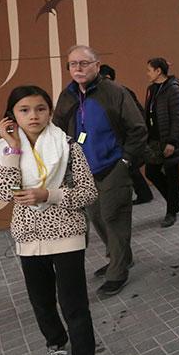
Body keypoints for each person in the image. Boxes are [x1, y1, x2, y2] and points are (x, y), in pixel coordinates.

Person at [0, 86, 100, 355]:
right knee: (41, 302)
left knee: (74, 306)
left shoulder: (67, 146)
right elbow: (3, 192)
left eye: (40, 108)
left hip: (66, 234)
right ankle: (56, 344)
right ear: (11, 116)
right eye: (24, 110)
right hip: (28, 237)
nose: (33, 116)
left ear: (49, 112)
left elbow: (88, 192)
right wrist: (13, 148)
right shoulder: (5, 150)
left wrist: (48, 195)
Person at [53, 45, 146, 297]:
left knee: (113, 216)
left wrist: (125, 161)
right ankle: (121, 257)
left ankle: (117, 272)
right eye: (73, 64)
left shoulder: (115, 92)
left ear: (97, 65)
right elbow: (57, 129)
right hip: (84, 171)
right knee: (97, 217)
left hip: (114, 166)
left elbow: (138, 129)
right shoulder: (67, 96)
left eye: (84, 63)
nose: (78, 68)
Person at [144, 57, 179, 227]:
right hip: (155, 139)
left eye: (149, 70)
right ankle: (176, 197)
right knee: (151, 172)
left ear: (158, 71)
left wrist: (172, 142)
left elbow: (177, 117)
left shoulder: (173, 89)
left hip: (170, 139)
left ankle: (171, 212)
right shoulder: (151, 89)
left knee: (172, 175)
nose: (147, 73)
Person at [100, 64, 153, 205]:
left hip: (127, 137)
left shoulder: (121, 92)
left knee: (130, 166)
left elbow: (137, 114)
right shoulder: (102, 94)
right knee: (130, 168)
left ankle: (144, 194)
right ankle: (144, 193)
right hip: (118, 137)